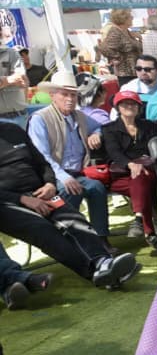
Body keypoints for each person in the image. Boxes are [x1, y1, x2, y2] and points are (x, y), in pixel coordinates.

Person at [0, 120, 138, 290]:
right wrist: (22, 199)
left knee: (75, 220)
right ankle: (96, 272)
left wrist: (50, 184)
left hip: (42, 192)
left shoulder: (13, 130)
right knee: (43, 230)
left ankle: (104, 262)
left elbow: (42, 163)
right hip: (8, 203)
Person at [28, 70, 110, 238]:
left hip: (79, 172)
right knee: (70, 190)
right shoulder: (40, 118)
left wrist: (96, 134)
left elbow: (103, 126)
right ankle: (73, 238)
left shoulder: (79, 115)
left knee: (96, 187)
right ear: (52, 96)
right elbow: (42, 156)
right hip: (53, 176)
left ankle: (101, 237)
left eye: (73, 95)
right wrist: (63, 177)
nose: (70, 99)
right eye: (64, 94)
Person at [101, 91, 157, 250]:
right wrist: (130, 164)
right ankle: (149, 233)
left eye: (133, 103)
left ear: (139, 107)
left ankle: (140, 221)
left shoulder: (149, 126)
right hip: (121, 175)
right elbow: (114, 152)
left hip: (147, 172)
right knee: (141, 187)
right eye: (125, 103)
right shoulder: (109, 129)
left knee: (140, 179)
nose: (129, 106)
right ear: (118, 107)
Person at [99, 8, 143, 85]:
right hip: (126, 74)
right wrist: (117, 57)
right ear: (123, 18)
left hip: (134, 72)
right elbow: (104, 48)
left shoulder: (126, 31)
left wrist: (139, 38)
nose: (132, 17)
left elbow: (137, 48)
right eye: (130, 16)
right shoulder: (115, 31)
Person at [0, 42, 28, 128]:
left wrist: (4, 82)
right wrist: (9, 80)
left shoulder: (11, 53)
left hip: (17, 115)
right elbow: (15, 78)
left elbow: (21, 78)